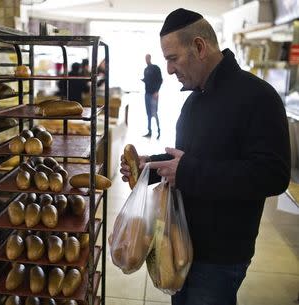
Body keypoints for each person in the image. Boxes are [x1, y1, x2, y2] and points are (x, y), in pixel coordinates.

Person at [120, 8, 290, 305]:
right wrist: (152, 167)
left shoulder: (258, 97)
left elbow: (272, 175)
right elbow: (191, 159)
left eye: (173, 59)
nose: (169, 70)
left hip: (219, 256)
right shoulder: (194, 100)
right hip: (177, 243)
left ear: (199, 47)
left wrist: (187, 172)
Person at [142, 53, 163, 138]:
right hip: (147, 93)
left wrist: (156, 91)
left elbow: (160, 80)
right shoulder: (146, 69)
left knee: (154, 113)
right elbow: (147, 80)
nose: (146, 60)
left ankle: (158, 131)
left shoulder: (156, 68)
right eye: (145, 58)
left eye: (147, 58)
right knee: (148, 114)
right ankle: (149, 131)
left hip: (154, 94)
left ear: (150, 58)